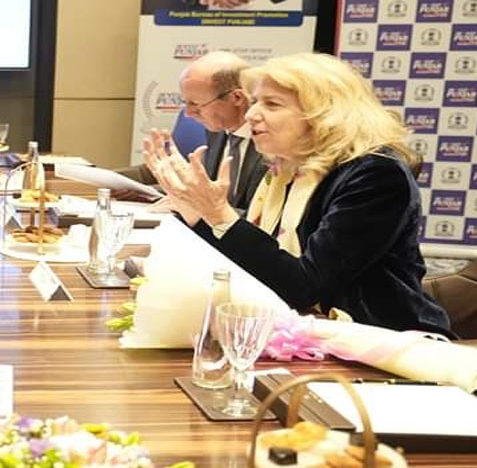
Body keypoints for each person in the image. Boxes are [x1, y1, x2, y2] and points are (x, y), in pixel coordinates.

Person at [143, 52, 452, 336]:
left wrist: (218, 213)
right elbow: (250, 262)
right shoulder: (288, 169)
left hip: (378, 343)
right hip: (302, 330)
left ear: (325, 114)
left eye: (272, 104)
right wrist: (194, 209)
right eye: (255, 101)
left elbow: (304, 287)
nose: (251, 115)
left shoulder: (375, 175)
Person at [124, 51, 267, 212]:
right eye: (185, 102)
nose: (188, 114)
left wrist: (199, 209)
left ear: (237, 98)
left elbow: (261, 219)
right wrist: (143, 193)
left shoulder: (270, 142)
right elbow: (209, 193)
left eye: (195, 104)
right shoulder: (216, 130)